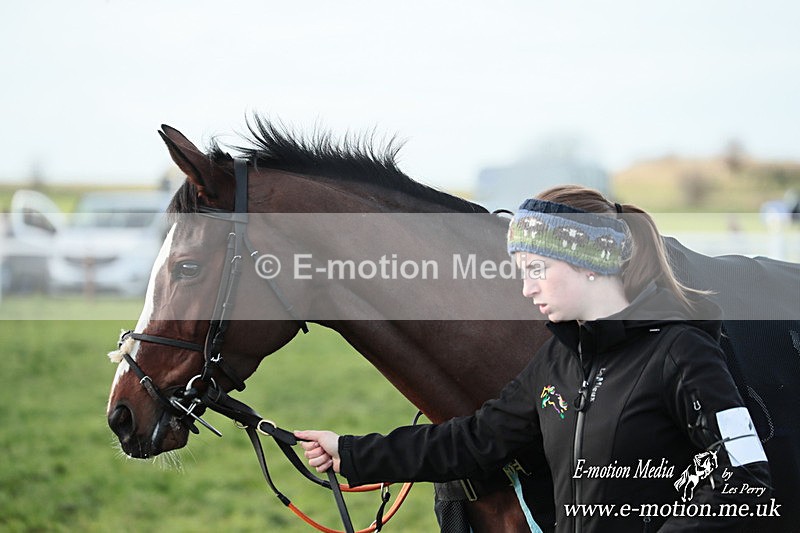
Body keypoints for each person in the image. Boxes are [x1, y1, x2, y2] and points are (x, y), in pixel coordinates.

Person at [296, 185, 772, 532]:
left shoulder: (681, 352)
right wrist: (353, 453)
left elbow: (745, 478)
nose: (527, 289)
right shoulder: (557, 362)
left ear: (587, 260)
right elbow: (475, 439)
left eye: (537, 270)